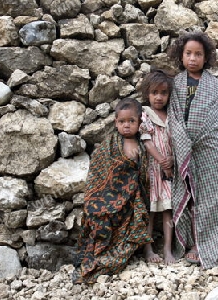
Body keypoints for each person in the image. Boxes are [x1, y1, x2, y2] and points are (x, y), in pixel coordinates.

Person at [167, 31, 218, 269]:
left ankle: (202, 245)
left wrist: (197, 137)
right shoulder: (174, 84)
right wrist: (184, 140)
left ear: (206, 58)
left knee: (209, 199)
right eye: (188, 53)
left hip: (209, 151)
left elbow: (216, 122)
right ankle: (187, 242)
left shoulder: (215, 87)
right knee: (190, 198)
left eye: (198, 54)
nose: (193, 58)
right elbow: (172, 116)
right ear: (181, 56)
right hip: (183, 149)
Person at [73, 98, 153, 284]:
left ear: (139, 122)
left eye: (131, 121)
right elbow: (98, 174)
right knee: (97, 216)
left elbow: (143, 175)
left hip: (131, 201)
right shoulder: (108, 146)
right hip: (107, 197)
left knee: (133, 221)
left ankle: (113, 257)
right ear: (115, 122)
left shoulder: (143, 145)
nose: (127, 126)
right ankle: (96, 254)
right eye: (122, 122)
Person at [138, 69, 176, 265]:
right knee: (151, 211)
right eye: (154, 93)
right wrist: (163, 161)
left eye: (163, 93)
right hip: (153, 170)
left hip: (168, 171)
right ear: (148, 94)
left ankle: (168, 249)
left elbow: (176, 141)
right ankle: (148, 248)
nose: (159, 97)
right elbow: (147, 142)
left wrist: (171, 159)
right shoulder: (145, 114)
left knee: (168, 210)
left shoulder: (171, 115)